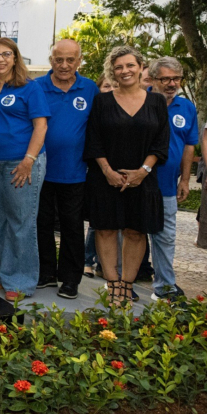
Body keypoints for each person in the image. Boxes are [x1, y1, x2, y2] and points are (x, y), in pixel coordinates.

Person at [84, 46, 169, 304]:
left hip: (143, 179)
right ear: (113, 70)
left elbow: (161, 142)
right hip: (106, 178)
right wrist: (108, 171)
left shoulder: (157, 102)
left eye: (130, 65)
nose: (125, 71)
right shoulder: (102, 101)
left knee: (136, 231)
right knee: (106, 230)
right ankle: (112, 286)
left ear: (141, 67)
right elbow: (93, 140)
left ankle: (126, 285)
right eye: (119, 67)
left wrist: (143, 171)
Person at [0, 38, 50, 301]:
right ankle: (3, 273)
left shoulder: (30, 88)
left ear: (15, 58)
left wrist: (28, 160)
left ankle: (21, 281)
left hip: (22, 163)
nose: (0, 59)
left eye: (6, 54)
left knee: (21, 222)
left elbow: (41, 126)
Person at [35, 40, 99, 299]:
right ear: (51, 60)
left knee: (72, 226)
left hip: (75, 171)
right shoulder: (36, 87)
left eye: (70, 60)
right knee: (41, 223)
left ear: (79, 61)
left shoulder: (90, 88)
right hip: (40, 170)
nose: (64, 65)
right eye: (58, 59)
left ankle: (70, 279)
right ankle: (46, 272)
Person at [147, 57, 196, 301]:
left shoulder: (186, 107)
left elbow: (189, 146)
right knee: (131, 234)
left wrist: (185, 180)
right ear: (153, 79)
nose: (171, 83)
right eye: (165, 79)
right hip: (138, 182)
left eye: (176, 78)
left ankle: (165, 286)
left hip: (167, 184)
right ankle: (122, 283)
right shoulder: (139, 100)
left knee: (165, 236)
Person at [84, 73, 115, 279]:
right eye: (106, 86)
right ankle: (88, 260)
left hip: (123, 173)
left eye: (114, 86)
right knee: (98, 222)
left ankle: (107, 266)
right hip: (99, 171)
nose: (110, 90)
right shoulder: (96, 110)